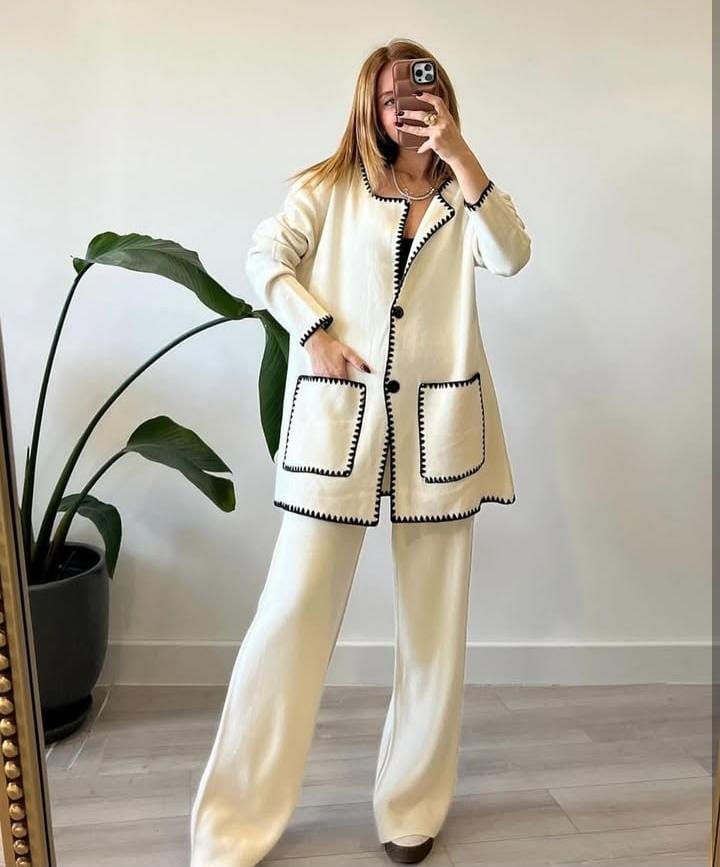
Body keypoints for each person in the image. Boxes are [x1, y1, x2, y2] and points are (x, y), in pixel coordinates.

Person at [190, 37, 531, 867]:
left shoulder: (467, 195)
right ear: (368, 109)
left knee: (434, 631)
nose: (404, 107)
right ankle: (232, 823)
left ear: (441, 99)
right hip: (338, 427)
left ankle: (412, 807)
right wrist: (312, 330)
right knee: (290, 615)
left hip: (439, 435)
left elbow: (511, 255)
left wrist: (460, 154)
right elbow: (264, 257)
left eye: (419, 92)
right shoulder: (327, 188)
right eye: (388, 97)